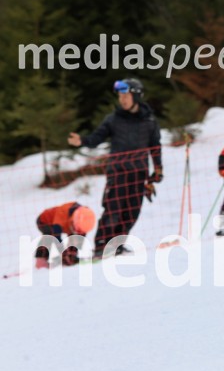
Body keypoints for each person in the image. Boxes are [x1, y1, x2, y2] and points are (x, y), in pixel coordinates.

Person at [68, 78, 163, 257]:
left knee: (132, 212)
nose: (122, 99)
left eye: (126, 95)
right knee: (113, 210)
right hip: (118, 173)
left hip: (138, 173)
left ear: (136, 96)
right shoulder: (113, 119)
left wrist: (158, 169)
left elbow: (155, 146)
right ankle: (101, 246)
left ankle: (117, 244)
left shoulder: (149, 120)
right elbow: (96, 138)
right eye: (120, 96)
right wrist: (82, 141)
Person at [34, 202, 96, 267]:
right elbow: (56, 237)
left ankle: (70, 257)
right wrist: (64, 253)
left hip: (67, 223)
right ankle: (41, 260)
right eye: (76, 228)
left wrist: (72, 253)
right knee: (49, 237)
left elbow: (80, 237)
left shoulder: (84, 216)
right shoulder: (62, 214)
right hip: (44, 221)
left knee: (76, 237)